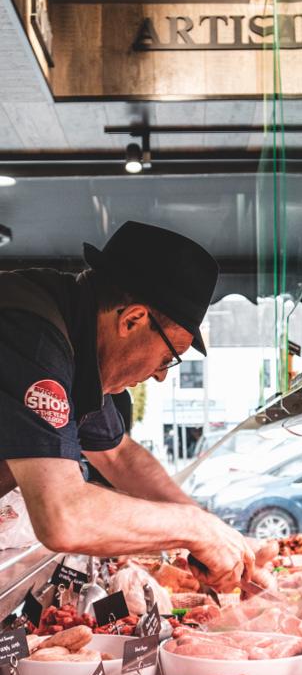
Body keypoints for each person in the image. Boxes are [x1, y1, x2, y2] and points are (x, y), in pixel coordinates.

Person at [0, 221, 258, 591]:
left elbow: (119, 455)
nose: (161, 376)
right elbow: (63, 517)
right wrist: (194, 529)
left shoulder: (79, 343)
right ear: (132, 320)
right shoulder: (33, 335)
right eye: (169, 357)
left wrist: (214, 532)